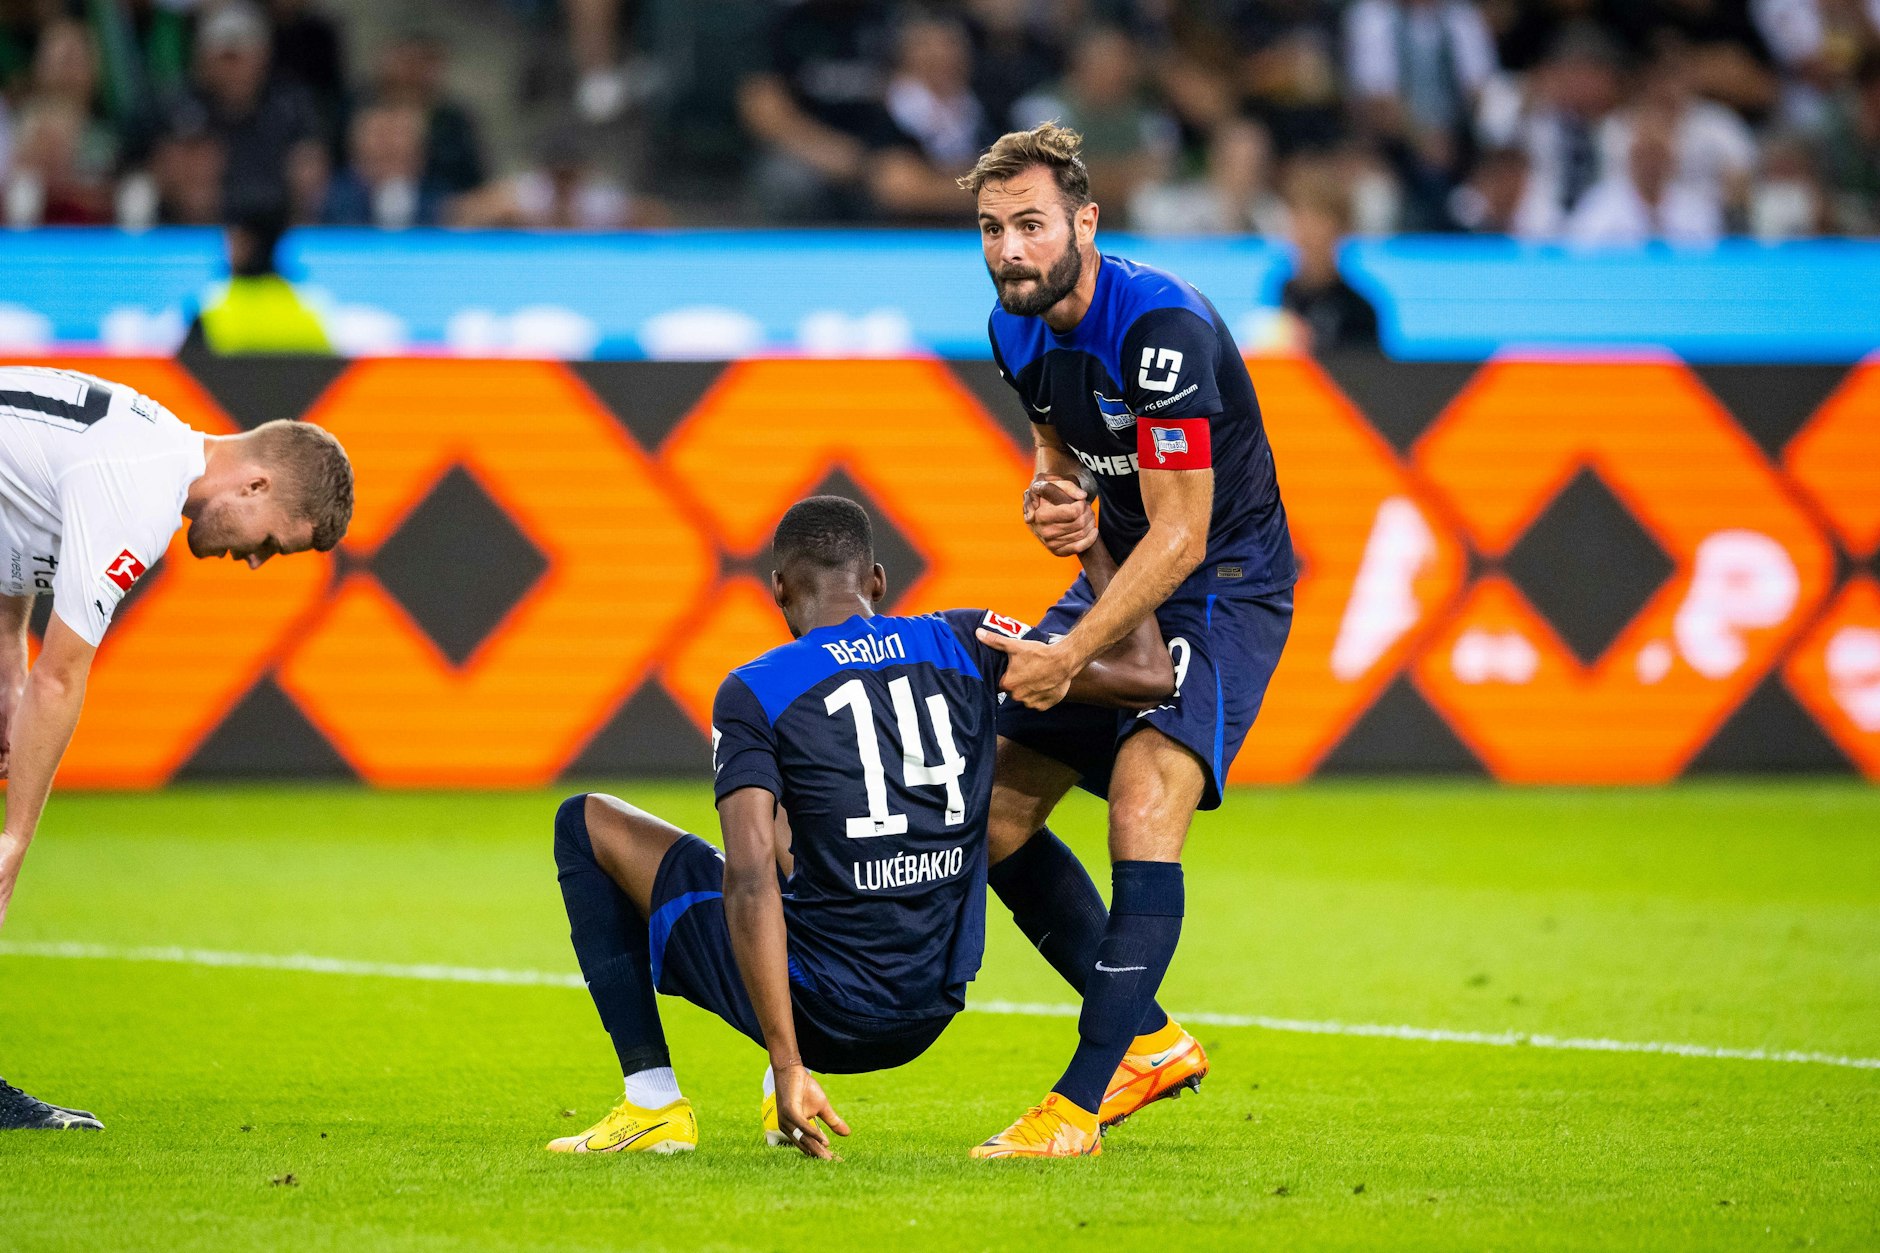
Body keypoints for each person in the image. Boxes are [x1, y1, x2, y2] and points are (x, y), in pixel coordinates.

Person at [546, 495, 1173, 1157]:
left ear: (779, 590)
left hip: (827, 1017)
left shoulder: (756, 688)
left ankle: (653, 1105)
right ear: (877, 580)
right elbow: (1148, 676)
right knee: (808, 816)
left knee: (585, 821)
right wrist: (1092, 544)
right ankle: (762, 1079)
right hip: (932, 1004)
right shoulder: (967, 638)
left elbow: (751, 879)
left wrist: (790, 1064)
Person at [963, 122, 1296, 1158]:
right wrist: (1049, 494)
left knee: (1148, 794)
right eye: (989, 229)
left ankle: (1075, 1104)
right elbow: (1058, 448)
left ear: (1084, 223)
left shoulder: (1159, 328)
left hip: (1221, 583)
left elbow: (1184, 531)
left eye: (1028, 224)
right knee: (994, 815)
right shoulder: (1009, 325)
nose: (1008, 249)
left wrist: (1067, 653)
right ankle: (1147, 1040)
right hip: (1120, 569)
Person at [0, 365, 353, 1130]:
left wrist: (6, 649)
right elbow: (60, 680)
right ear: (255, 486)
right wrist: (15, 838)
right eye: (275, 545)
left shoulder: (148, 438)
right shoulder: (140, 493)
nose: (257, 563)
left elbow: (15, 511)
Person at [183, 203, 333, 354]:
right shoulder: (310, 306)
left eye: (233, 238)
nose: (228, 246)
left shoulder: (211, 306)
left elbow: (184, 369)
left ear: (246, 243)